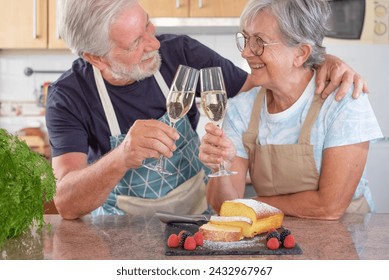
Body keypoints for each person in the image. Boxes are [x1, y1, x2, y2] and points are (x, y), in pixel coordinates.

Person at [47, 0, 367, 220]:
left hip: (192, 219)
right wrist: (122, 156)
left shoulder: (181, 53)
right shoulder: (69, 96)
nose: (154, 43)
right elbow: (67, 203)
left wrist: (321, 60)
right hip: (120, 227)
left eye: (149, 26)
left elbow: (260, 85)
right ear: (97, 58)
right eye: (136, 43)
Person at [199, 0, 383, 220]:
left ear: (300, 53)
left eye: (259, 41)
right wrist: (220, 166)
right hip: (275, 238)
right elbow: (225, 207)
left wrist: (252, 205)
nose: (246, 52)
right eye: (246, 39)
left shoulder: (343, 101)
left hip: (347, 234)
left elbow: (330, 207)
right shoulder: (242, 108)